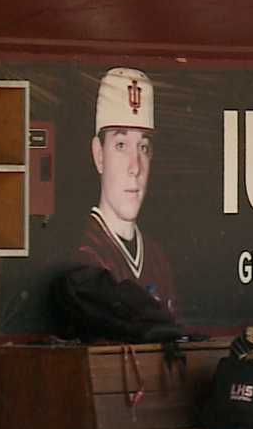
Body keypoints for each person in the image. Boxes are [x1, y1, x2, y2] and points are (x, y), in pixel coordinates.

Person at [76, 67, 179, 316]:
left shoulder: (156, 257)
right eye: (121, 145)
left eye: (143, 147)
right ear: (99, 155)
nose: (135, 167)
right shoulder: (84, 252)